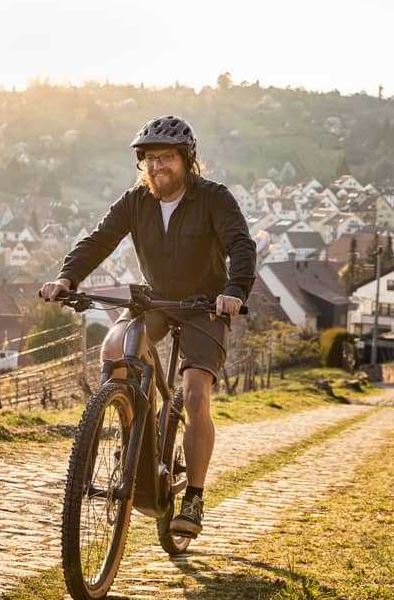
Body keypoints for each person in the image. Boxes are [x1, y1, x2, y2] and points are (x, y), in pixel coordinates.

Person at [41, 115, 256, 537]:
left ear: (187, 160)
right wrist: (68, 277)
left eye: (166, 158)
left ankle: (193, 498)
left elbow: (240, 245)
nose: (156, 167)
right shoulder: (135, 201)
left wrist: (234, 290)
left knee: (194, 395)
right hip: (154, 300)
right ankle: (131, 441)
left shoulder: (213, 198)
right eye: (149, 159)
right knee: (115, 349)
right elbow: (99, 240)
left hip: (204, 306)